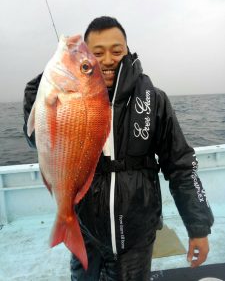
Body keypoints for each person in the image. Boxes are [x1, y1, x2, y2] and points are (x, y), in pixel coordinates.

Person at [23, 16, 214, 281]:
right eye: (97, 53)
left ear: (127, 50)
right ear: (87, 56)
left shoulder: (153, 99)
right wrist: (38, 93)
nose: (109, 59)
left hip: (137, 233)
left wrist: (198, 227)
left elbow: (180, 164)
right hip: (86, 230)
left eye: (117, 50)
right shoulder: (67, 97)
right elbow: (36, 139)